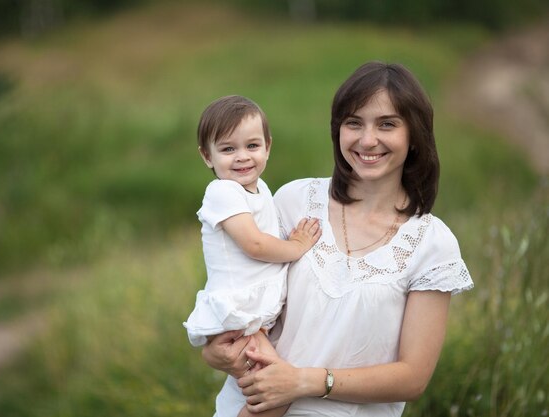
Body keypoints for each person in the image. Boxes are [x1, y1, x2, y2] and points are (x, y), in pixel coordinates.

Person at [201, 62, 474, 416]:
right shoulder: (292, 201)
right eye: (354, 123)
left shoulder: (432, 244)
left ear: (414, 135)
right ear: (338, 130)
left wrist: (305, 381)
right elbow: (236, 289)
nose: (367, 139)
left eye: (387, 124)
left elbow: (413, 378)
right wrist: (214, 352)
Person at [183, 95, 322, 417]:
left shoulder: (261, 189)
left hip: (250, 317)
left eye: (252, 146)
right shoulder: (222, 192)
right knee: (273, 395)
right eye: (228, 149)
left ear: (268, 147)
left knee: (266, 391)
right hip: (237, 313)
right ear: (207, 156)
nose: (242, 157)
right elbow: (255, 245)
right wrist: (297, 246)